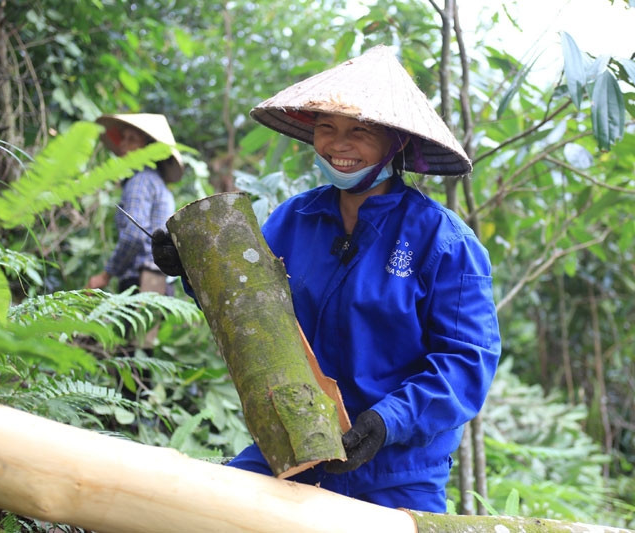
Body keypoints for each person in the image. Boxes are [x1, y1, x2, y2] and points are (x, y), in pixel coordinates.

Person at [152, 45, 501, 513]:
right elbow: (250, 307)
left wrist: (385, 421)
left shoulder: (445, 242)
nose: (339, 145)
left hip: (396, 471)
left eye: (360, 131)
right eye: (327, 128)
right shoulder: (293, 219)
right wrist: (193, 270)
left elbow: (466, 363)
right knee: (203, 512)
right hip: (298, 447)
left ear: (395, 143)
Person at [87, 113, 183, 348]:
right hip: (157, 282)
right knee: (140, 360)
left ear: (147, 149)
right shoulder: (158, 184)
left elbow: (133, 235)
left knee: (128, 363)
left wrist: (105, 275)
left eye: (132, 140)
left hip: (142, 280)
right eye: (124, 139)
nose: (122, 145)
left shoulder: (140, 181)